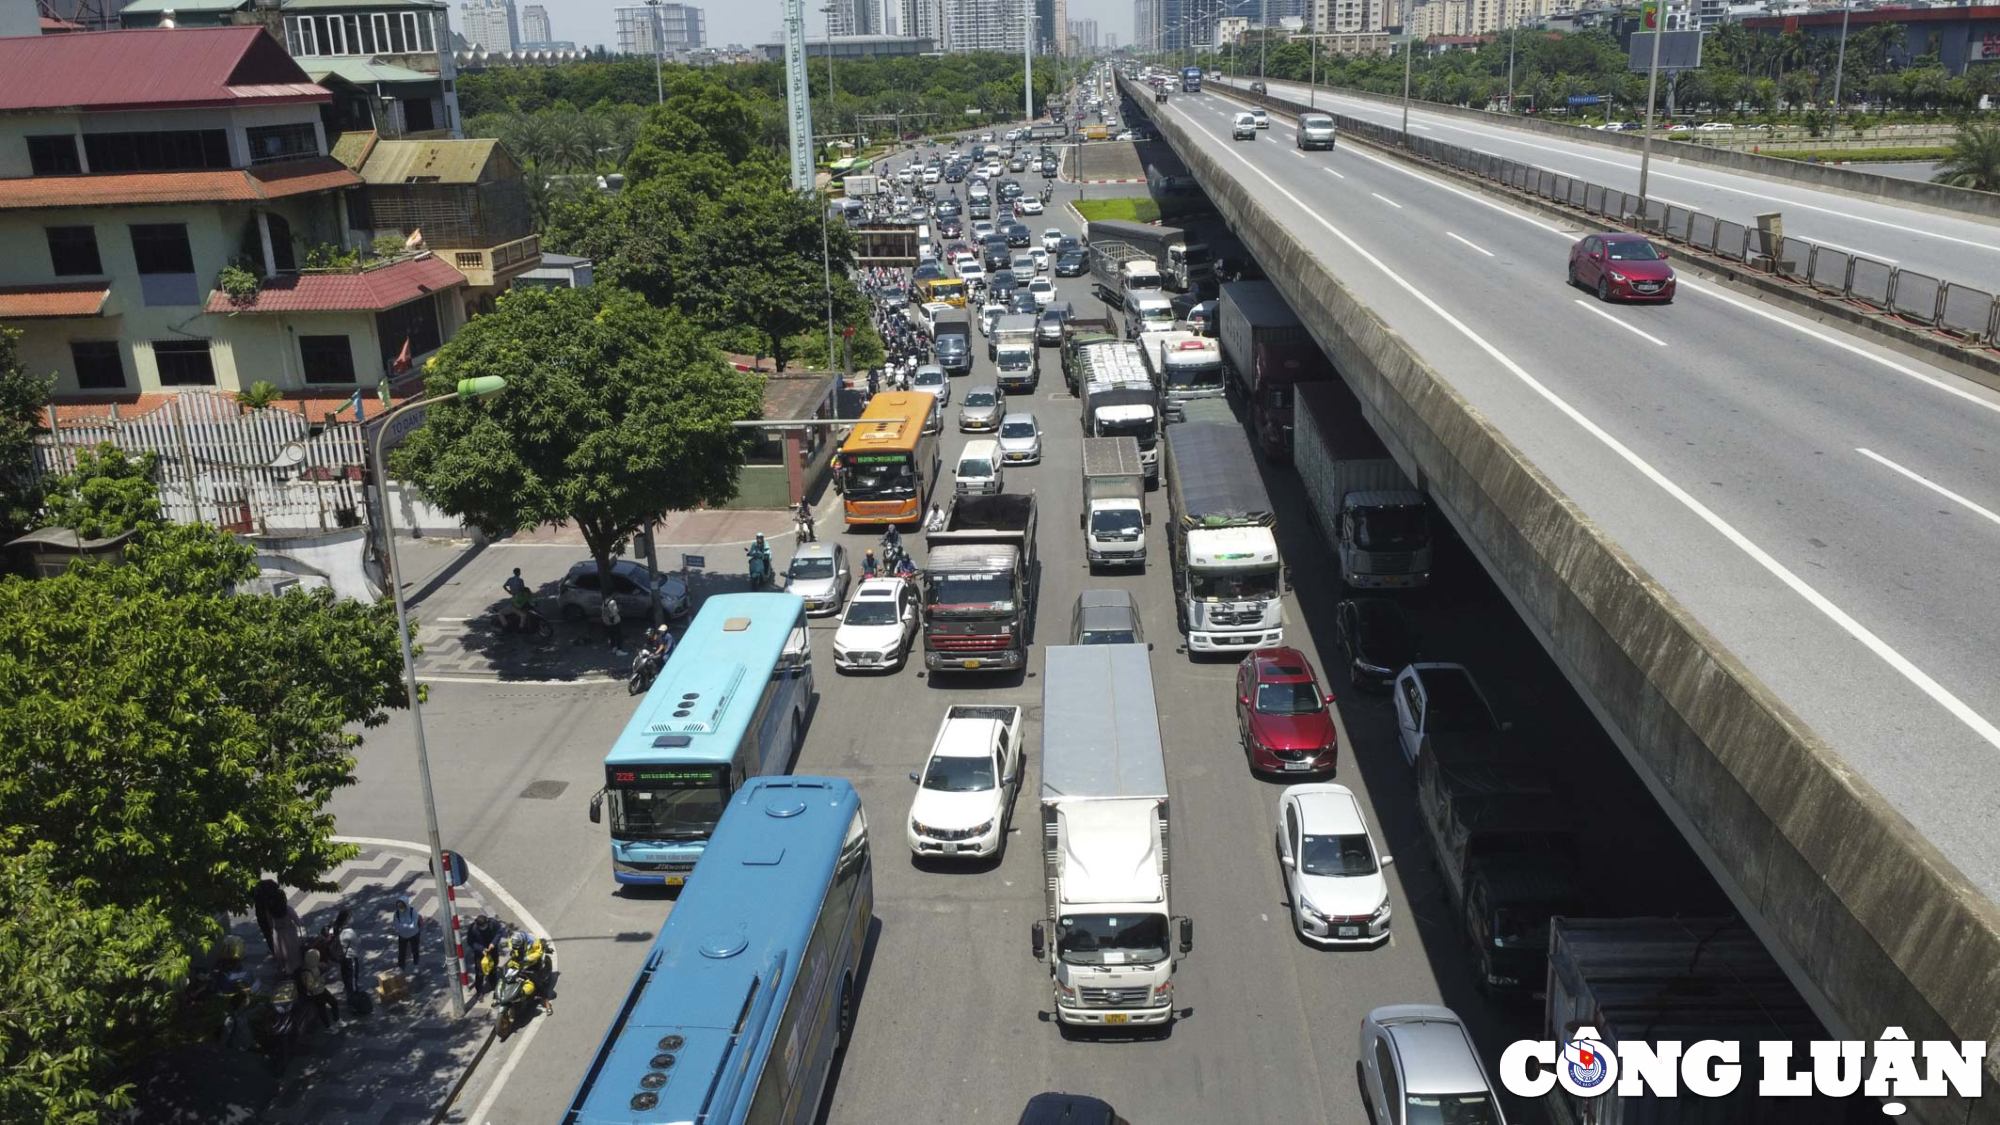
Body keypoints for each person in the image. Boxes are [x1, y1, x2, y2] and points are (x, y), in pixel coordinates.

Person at [299, 949, 340, 1033]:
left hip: (322, 990)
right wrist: (320, 980)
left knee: (334, 1002)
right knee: (322, 1010)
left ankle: (337, 1020)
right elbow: (311, 987)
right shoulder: (307, 972)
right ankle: (329, 1027)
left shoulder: (314, 965)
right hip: (316, 994)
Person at [393, 896, 421, 971]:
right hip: (402, 935)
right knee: (402, 952)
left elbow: (413, 925)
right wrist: (406, 926)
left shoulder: (413, 911)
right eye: (399, 907)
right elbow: (396, 925)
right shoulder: (397, 913)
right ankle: (401, 966)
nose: (400, 909)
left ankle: (416, 965)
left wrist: (403, 926)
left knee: (415, 950)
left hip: (414, 934)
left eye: (402, 906)